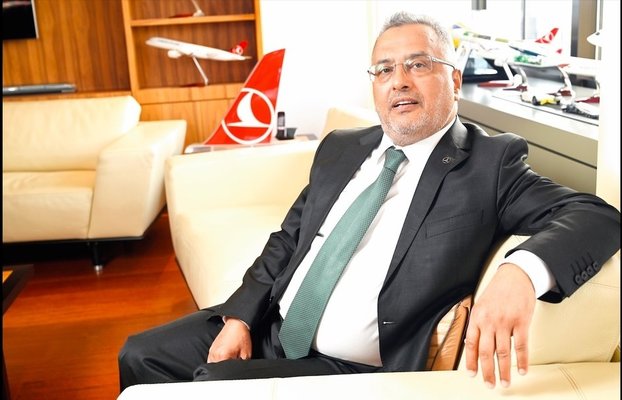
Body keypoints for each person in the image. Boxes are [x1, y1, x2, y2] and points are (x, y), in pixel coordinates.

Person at [119, 12, 620, 392]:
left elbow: (596, 216)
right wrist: (241, 317)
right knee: (140, 355)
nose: (399, 79)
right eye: (384, 69)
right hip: (272, 323)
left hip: (348, 366)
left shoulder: (489, 164)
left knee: (212, 385)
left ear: (454, 80)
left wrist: (521, 271)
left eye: (418, 64)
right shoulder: (341, 148)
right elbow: (287, 241)